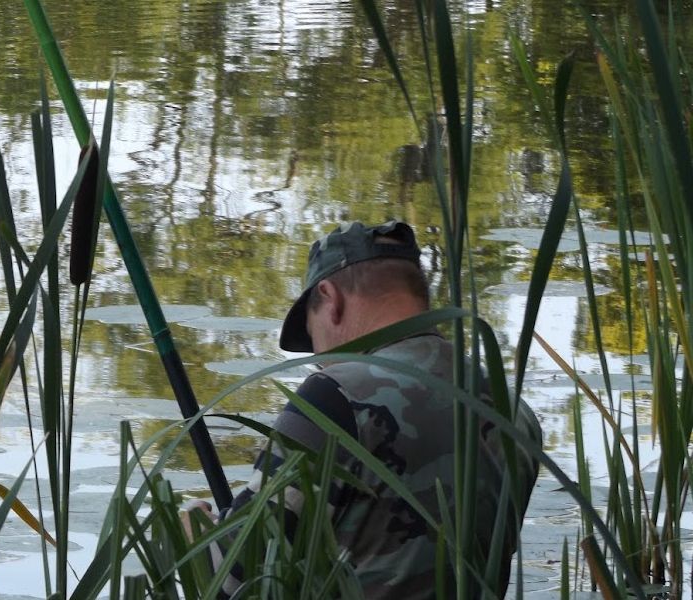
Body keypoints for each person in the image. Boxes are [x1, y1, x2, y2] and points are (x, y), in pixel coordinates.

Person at [195, 220, 542, 599]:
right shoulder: (515, 413)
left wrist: (198, 531)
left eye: (313, 338)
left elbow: (231, 580)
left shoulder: (336, 397)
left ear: (331, 299)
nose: (319, 362)